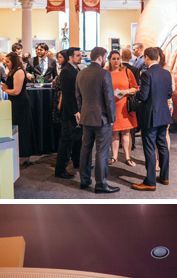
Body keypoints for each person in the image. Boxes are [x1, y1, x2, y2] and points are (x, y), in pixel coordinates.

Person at [77, 46, 118, 194]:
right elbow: (109, 98)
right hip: (102, 119)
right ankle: (101, 184)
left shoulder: (80, 73)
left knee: (85, 150)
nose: (105, 60)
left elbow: (78, 97)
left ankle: (84, 180)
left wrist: (82, 112)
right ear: (100, 58)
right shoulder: (104, 73)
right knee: (101, 152)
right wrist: (112, 118)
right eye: (105, 57)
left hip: (86, 117)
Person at [131, 46, 173, 191]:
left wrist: (135, 92)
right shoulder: (166, 73)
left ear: (146, 58)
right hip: (163, 114)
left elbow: (143, 96)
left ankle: (150, 181)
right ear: (158, 57)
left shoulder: (146, 74)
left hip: (150, 116)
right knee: (162, 145)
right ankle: (164, 176)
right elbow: (169, 94)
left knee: (149, 147)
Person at [1, 52, 35, 165]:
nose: (5, 63)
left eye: (8, 61)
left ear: (14, 61)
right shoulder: (13, 71)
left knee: (22, 128)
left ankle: (24, 155)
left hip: (20, 103)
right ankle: (20, 153)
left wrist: (5, 90)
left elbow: (16, 91)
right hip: (15, 102)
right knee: (17, 127)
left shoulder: (19, 72)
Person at [106, 50, 139, 167]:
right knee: (114, 133)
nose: (116, 61)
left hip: (125, 107)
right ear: (109, 60)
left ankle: (127, 157)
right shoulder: (106, 72)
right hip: (111, 106)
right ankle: (114, 157)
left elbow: (135, 88)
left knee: (126, 132)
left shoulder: (126, 71)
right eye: (113, 58)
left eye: (118, 58)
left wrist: (126, 91)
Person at [54, 47, 82, 179]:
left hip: (76, 111)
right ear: (70, 57)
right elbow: (67, 94)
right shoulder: (66, 71)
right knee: (66, 141)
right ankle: (60, 169)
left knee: (77, 139)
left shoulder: (76, 69)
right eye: (78, 55)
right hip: (70, 112)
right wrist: (75, 111)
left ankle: (77, 162)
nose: (80, 57)